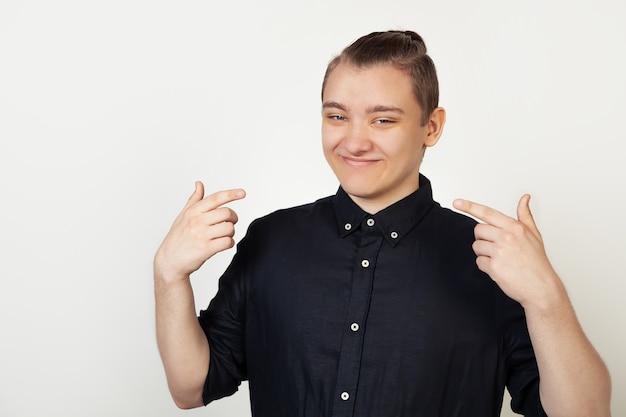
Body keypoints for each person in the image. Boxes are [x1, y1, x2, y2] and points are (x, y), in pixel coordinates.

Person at [154, 30, 611, 416]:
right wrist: (168, 276)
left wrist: (546, 297)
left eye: (383, 119)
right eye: (337, 116)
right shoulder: (271, 240)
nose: (354, 141)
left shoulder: (491, 258)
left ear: (431, 127)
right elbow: (190, 389)